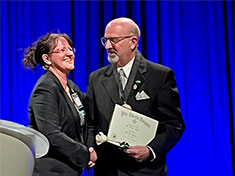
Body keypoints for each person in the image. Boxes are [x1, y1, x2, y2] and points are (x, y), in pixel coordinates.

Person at [86, 17, 185, 176]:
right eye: (106, 40)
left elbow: (174, 124)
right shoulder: (96, 79)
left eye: (114, 40)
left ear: (133, 42)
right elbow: (90, 124)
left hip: (145, 171)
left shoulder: (159, 76)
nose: (108, 46)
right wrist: (91, 148)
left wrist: (150, 149)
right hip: (107, 170)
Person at [22, 32, 97, 176]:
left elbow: (88, 120)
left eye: (70, 49)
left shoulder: (72, 88)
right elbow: (51, 134)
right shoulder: (45, 88)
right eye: (62, 50)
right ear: (47, 59)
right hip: (50, 170)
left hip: (70, 169)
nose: (70, 54)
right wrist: (84, 154)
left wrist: (91, 147)